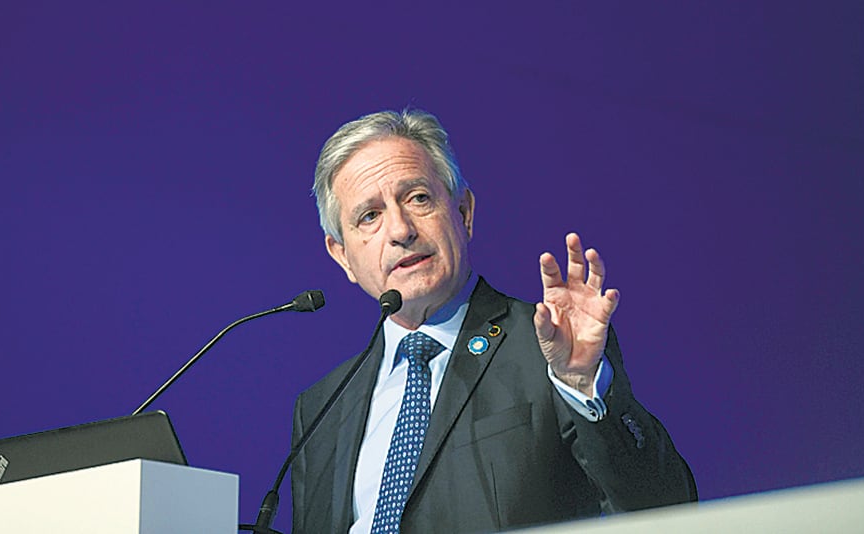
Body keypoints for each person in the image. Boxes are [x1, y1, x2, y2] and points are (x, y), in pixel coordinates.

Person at [291, 109, 697, 534]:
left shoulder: (549, 349)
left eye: (418, 198)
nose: (399, 229)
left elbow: (666, 510)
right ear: (342, 255)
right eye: (369, 216)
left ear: (463, 212)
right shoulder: (320, 409)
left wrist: (581, 386)